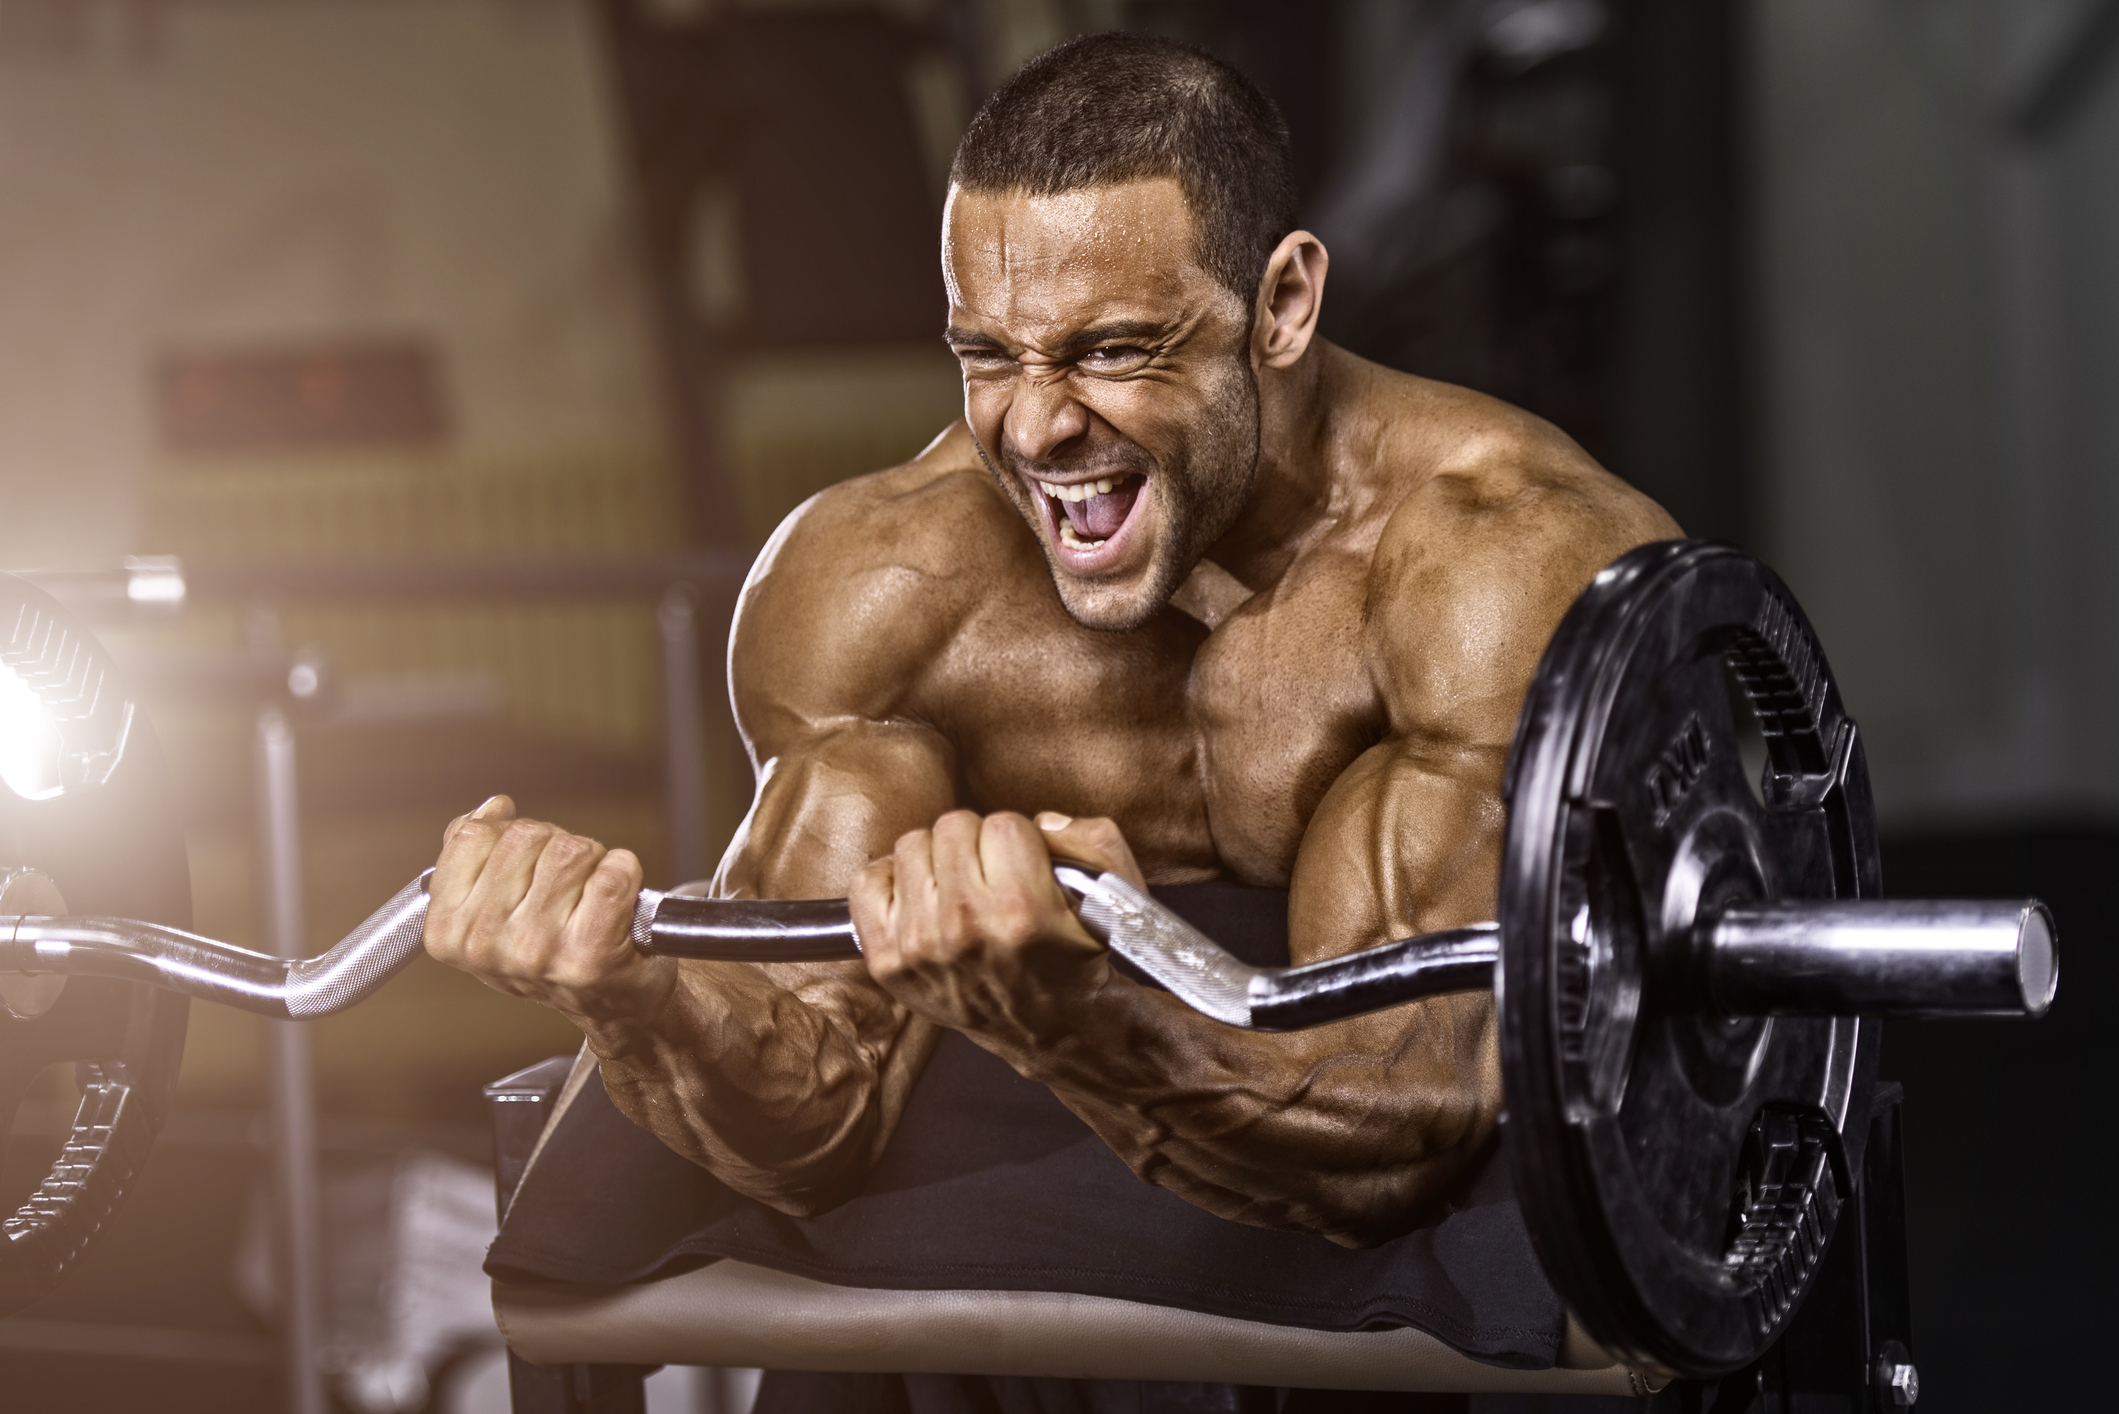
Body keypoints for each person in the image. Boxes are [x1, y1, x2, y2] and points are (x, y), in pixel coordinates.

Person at [425, 33, 1674, 1251]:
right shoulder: (886, 585)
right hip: (1071, 1197)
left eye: (1113, 350)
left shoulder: (1498, 565)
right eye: (986, 355)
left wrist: (1076, 1016)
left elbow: (1400, 1131)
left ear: (1282, 303)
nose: (1032, 426)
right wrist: (630, 997)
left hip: (1386, 1221)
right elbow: (810, 1113)